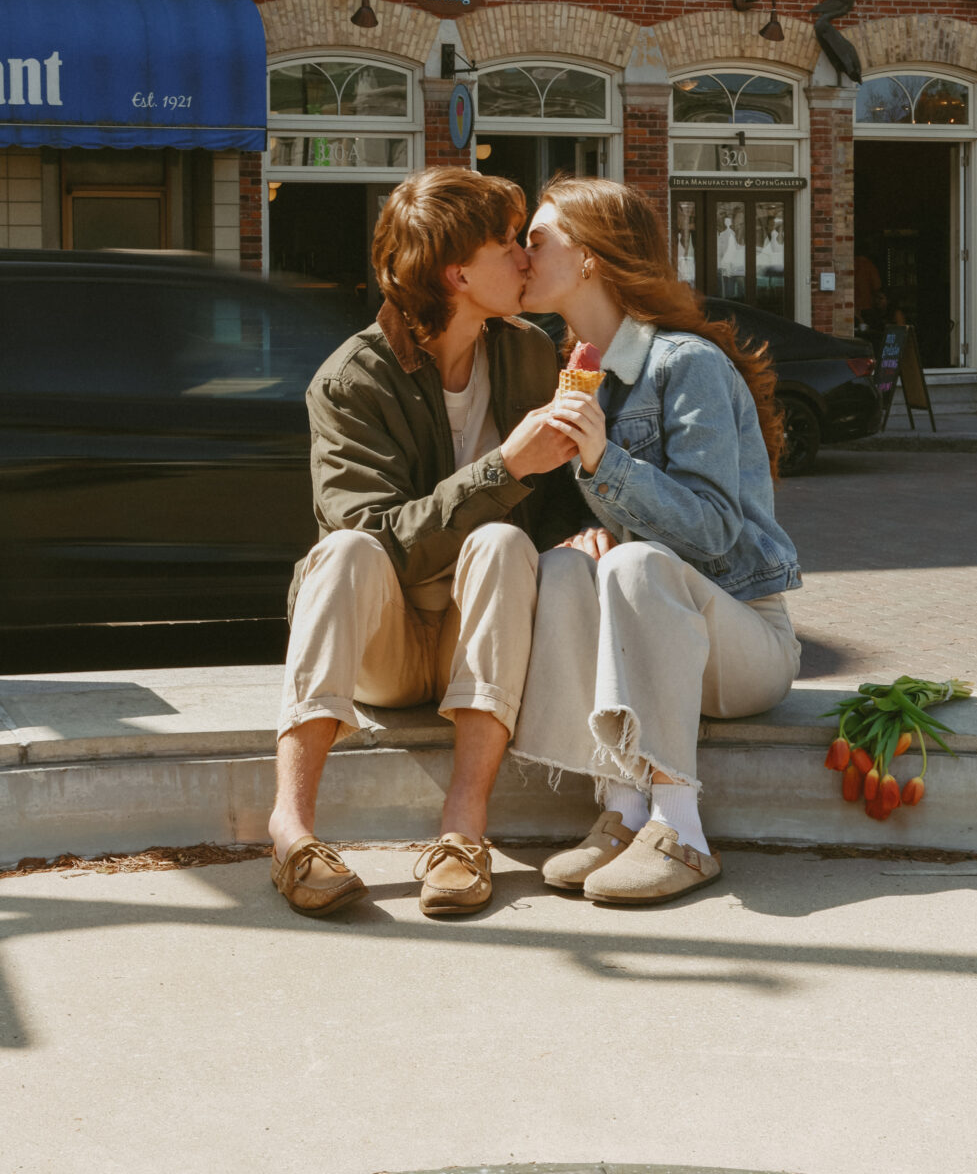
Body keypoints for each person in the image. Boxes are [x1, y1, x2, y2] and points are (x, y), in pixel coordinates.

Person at [268, 168, 582, 920]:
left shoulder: (530, 356)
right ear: (456, 273)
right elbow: (376, 538)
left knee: (506, 543)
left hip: (476, 646)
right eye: (507, 244)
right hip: (386, 643)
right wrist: (502, 468)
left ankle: (461, 831)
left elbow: (550, 514)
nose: (524, 258)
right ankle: (290, 831)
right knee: (343, 552)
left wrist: (585, 525)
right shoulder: (352, 381)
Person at [512, 176, 802, 906]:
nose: (521, 254)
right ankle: (620, 810)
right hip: (653, 650)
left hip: (745, 644)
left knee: (638, 563)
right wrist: (582, 532)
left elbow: (711, 530)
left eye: (535, 240)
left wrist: (606, 465)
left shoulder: (685, 364)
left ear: (588, 259)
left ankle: (683, 831)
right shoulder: (572, 372)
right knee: (564, 568)